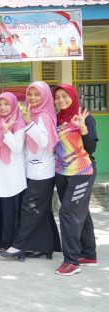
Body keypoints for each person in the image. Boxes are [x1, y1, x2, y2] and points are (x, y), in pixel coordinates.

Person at [0, 81, 61, 261]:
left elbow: (44, 142)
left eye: (36, 94)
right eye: (29, 94)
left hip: (43, 171)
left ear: (45, 97)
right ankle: (46, 246)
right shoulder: (34, 113)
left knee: (29, 209)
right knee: (41, 211)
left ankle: (18, 246)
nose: (32, 98)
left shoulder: (44, 116)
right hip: (33, 170)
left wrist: (29, 123)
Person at [52, 84, 98, 276]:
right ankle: (88, 254)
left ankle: (71, 261)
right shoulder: (56, 118)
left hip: (82, 173)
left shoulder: (85, 117)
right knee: (81, 212)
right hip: (62, 172)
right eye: (57, 97)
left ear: (73, 96)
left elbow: (91, 149)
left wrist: (83, 128)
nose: (61, 100)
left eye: (65, 96)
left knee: (68, 213)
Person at [0, 92, 27, 252]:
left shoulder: (19, 123)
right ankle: (2, 241)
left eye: (6, 104)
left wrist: (7, 131)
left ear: (13, 105)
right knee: (3, 208)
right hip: (0, 171)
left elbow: (17, 148)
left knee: (12, 209)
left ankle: (12, 243)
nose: (2, 107)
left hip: (13, 172)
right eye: (0, 104)